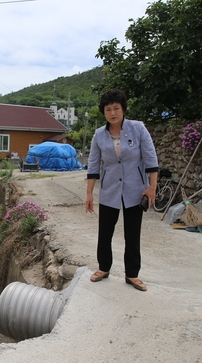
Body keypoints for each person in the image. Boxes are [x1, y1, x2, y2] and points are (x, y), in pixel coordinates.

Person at [85, 89, 158, 291]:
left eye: (116, 108)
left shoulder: (138, 129)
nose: (112, 113)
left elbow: (151, 160)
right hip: (109, 189)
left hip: (136, 190)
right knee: (105, 232)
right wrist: (89, 193)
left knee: (132, 234)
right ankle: (103, 268)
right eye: (108, 109)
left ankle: (132, 274)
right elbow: (93, 165)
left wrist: (152, 187)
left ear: (123, 109)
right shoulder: (99, 135)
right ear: (104, 113)